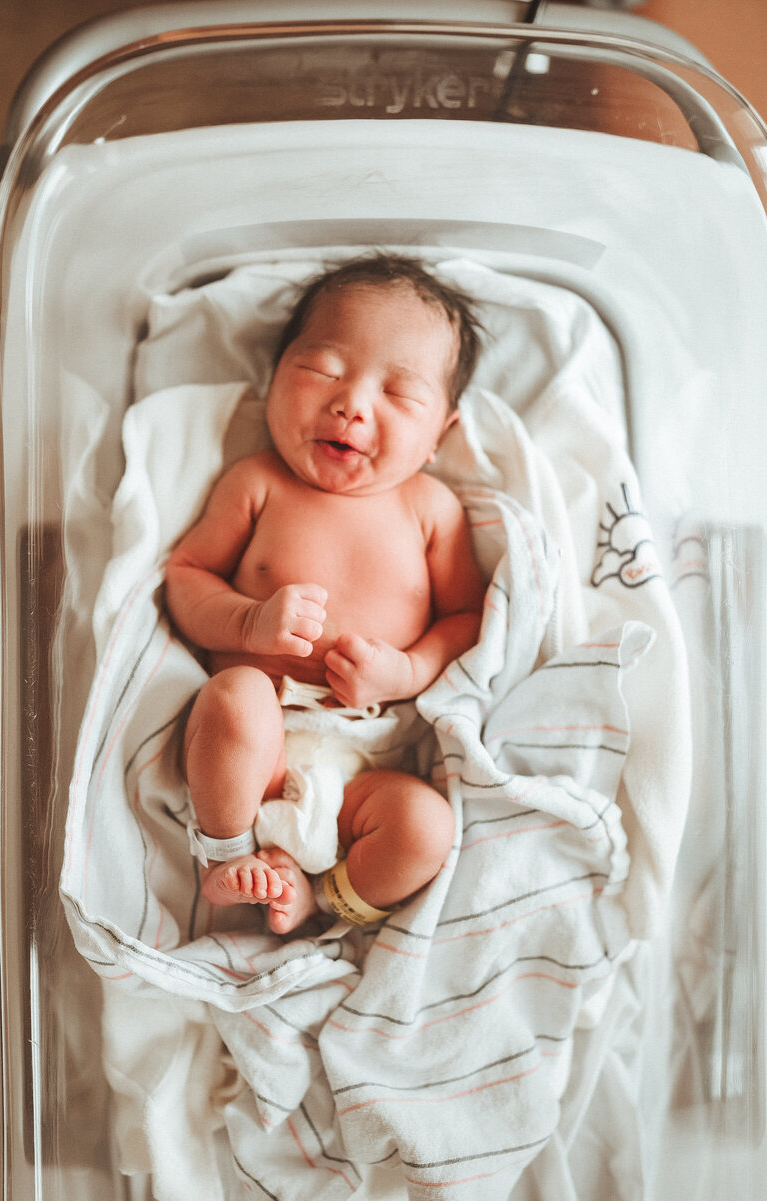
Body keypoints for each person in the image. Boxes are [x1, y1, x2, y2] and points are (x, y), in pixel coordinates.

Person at [164, 254, 486, 934]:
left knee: (426, 827)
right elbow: (186, 576)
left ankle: (322, 900)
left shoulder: (432, 509)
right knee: (233, 700)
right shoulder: (258, 483)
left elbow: (465, 618)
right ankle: (225, 855)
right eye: (324, 370)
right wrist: (248, 624)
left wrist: (405, 669)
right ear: (275, 376)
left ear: (441, 434)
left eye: (399, 394)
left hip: (369, 757)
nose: (352, 404)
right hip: (268, 746)